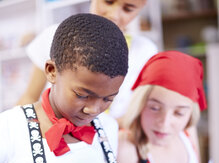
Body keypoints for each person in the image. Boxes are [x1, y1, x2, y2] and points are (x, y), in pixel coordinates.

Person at [0, 13, 128, 163]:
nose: (94, 110)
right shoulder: (12, 126)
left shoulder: (108, 127)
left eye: (108, 99)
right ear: (51, 71)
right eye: (82, 94)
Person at [16, 0, 158, 121]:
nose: (113, 14)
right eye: (108, 1)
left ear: (141, 8)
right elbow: (29, 97)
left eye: (128, 9)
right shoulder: (55, 35)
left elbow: (139, 113)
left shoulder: (146, 52)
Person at [117, 50, 207, 163]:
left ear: (190, 115)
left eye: (179, 113)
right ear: (140, 105)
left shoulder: (188, 134)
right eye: (155, 108)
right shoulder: (127, 147)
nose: (164, 123)